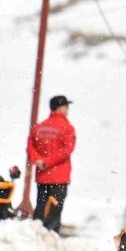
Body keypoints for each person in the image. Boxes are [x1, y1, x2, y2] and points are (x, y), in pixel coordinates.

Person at [26, 95, 76, 231]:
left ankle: (36, 233)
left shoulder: (39, 127)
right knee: (54, 211)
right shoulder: (67, 127)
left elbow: (30, 147)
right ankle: (50, 236)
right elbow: (67, 151)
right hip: (59, 176)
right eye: (66, 106)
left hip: (42, 176)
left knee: (41, 206)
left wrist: (39, 160)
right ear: (61, 108)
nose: (68, 109)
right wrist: (47, 161)